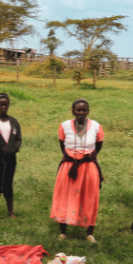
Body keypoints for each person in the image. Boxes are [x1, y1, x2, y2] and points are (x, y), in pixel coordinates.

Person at [51, 98, 104, 243]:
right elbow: (62, 145)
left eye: (84, 110)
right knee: (65, 195)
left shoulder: (96, 126)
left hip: (89, 166)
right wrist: (73, 158)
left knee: (90, 196)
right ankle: (63, 232)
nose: (81, 113)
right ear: (72, 111)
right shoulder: (64, 126)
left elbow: (98, 145)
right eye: (78, 110)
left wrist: (86, 156)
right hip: (69, 166)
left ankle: (89, 233)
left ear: (88, 111)